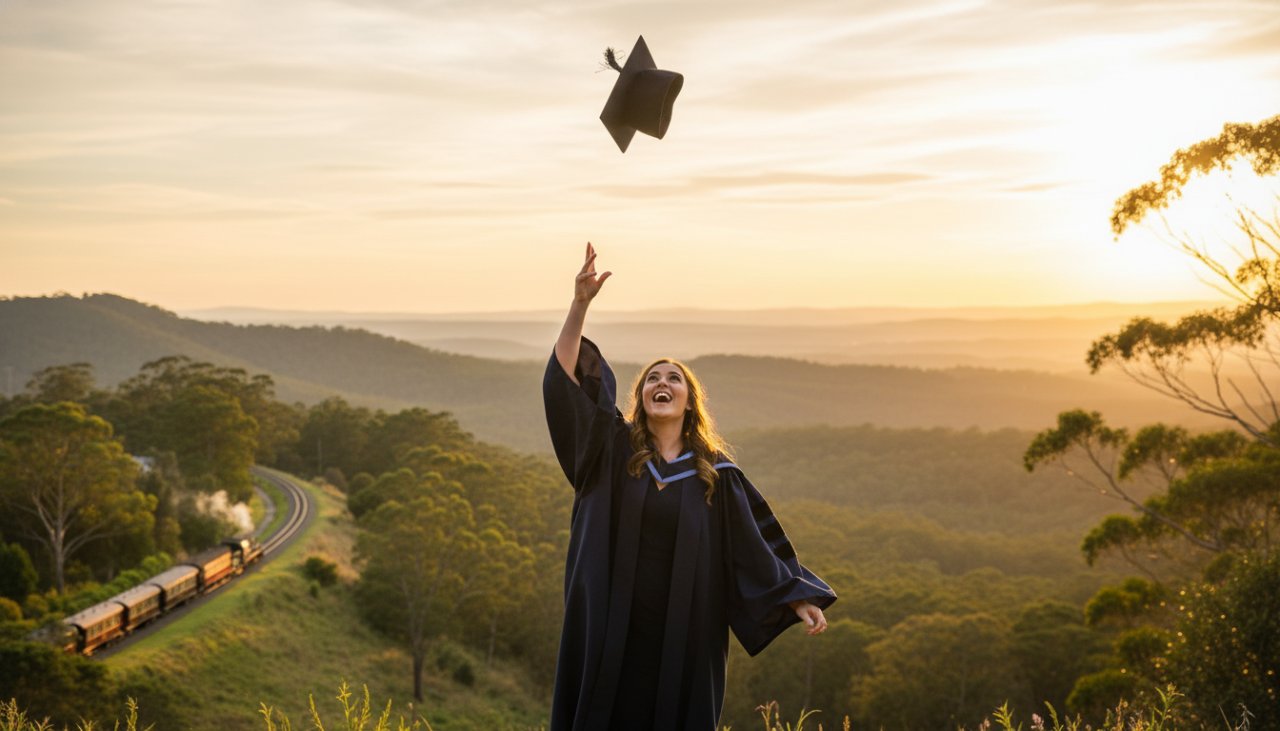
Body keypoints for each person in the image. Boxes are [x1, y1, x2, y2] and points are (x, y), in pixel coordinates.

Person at [543, 243, 836, 731]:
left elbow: (752, 549)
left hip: (682, 635)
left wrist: (796, 596)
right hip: (612, 627)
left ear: (688, 401)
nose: (662, 382)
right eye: (652, 378)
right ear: (640, 398)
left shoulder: (717, 478)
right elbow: (567, 380)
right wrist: (580, 305)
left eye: (674, 378)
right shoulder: (612, 453)